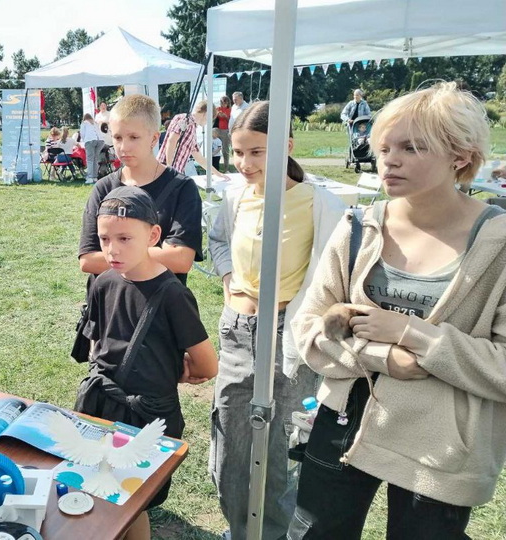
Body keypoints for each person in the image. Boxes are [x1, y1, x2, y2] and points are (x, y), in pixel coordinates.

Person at [288, 82, 506, 539]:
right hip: (346, 420)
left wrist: (410, 332)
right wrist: (383, 356)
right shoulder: (357, 229)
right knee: (315, 533)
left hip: (443, 445)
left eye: (412, 146)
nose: (390, 158)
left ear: (460, 157)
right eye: (384, 146)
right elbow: (307, 330)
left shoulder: (498, 245)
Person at [207, 100, 346, 540]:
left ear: (286, 146)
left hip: (290, 336)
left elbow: (332, 272)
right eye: (237, 151)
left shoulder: (320, 204)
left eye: (256, 151)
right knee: (230, 446)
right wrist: (229, 277)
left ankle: (273, 534)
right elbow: (217, 239)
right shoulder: (234, 196)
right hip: (238, 332)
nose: (243, 163)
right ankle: (239, 529)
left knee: (283, 448)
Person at [76, 185, 218, 540]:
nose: (113, 249)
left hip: (146, 417)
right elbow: (97, 342)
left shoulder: (172, 294)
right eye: (105, 238)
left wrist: (172, 370)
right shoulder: (103, 282)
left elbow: (208, 365)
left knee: (133, 502)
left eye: (125, 238)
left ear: (153, 235)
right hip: (100, 406)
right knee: (101, 495)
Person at [80, 95, 204, 287]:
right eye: (118, 137)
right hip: (109, 305)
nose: (124, 147)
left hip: (159, 307)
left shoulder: (182, 188)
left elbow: (181, 260)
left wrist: (114, 255)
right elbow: (88, 260)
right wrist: (155, 253)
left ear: (154, 138)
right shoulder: (103, 188)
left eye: (134, 137)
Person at [157, 100, 221, 177]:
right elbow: (172, 141)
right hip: (165, 170)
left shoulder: (193, 130)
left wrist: (218, 173)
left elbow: (199, 158)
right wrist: (169, 167)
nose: (208, 123)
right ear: (206, 114)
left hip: (175, 172)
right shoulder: (184, 119)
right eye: (210, 119)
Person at [79, 113, 103, 185]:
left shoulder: (84, 123)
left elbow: (82, 133)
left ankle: (90, 177)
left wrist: (84, 141)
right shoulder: (95, 123)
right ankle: (95, 177)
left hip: (90, 140)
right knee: (95, 159)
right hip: (100, 140)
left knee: (90, 160)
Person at [214, 96, 232, 172]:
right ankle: (215, 167)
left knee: (225, 150)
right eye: (221, 102)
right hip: (217, 130)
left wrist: (225, 117)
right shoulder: (218, 109)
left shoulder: (230, 110)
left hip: (225, 130)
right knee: (214, 147)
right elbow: (213, 118)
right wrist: (217, 115)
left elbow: (231, 121)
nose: (222, 104)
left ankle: (226, 168)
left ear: (227, 102)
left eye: (224, 102)